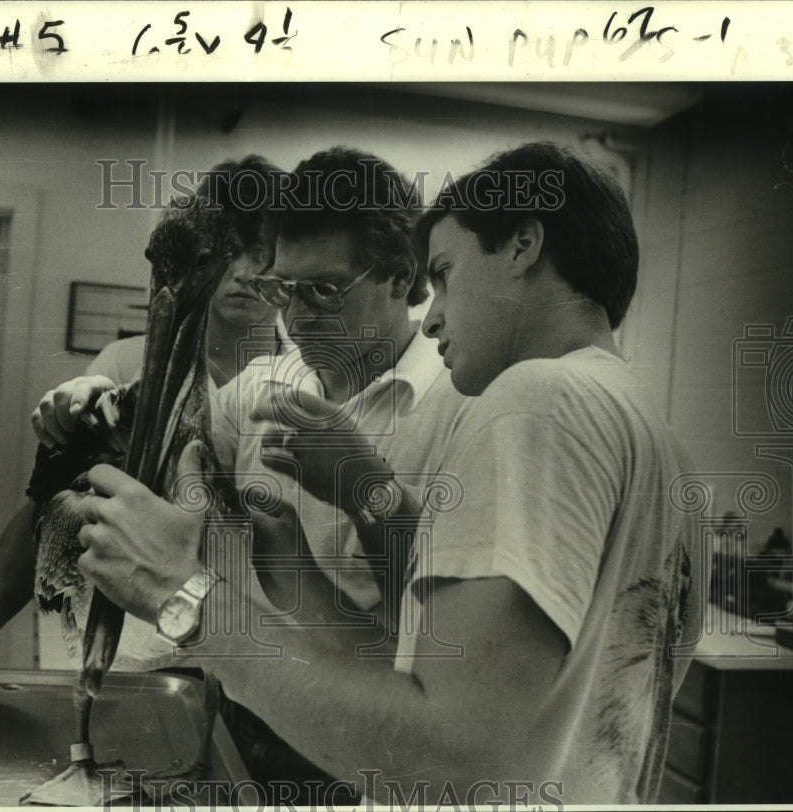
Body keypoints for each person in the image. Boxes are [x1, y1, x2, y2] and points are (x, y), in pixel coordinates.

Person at [69, 142, 702, 805]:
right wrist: (290, 566)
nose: (432, 316)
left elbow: (451, 759)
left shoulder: (538, 398)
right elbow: (436, 679)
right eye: (284, 290)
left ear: (522, 245)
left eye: (449, 273)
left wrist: (183, 595)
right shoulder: (663, 450)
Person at [0, 155, 286, 695]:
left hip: (258, 672)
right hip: (131, 665)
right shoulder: (126, 366)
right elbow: (52, 510)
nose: (246, 271)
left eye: (264, 254)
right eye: (232, 250)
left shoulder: (317, 386)